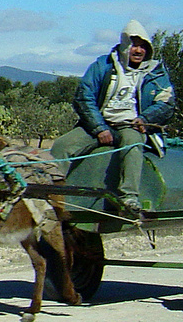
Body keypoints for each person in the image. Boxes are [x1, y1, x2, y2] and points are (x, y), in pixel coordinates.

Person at [51, 21, 175, 215]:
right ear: (125, 45)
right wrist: (99, 128)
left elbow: (166, 103)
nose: (139, 50)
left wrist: (145, 119)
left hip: (132, 126)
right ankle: (51, 196)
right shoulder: (103, 65)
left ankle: (129, 197)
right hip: (98, 123)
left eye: (143, 46)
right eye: (134, 45)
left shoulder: (155, 72)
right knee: (62, 146)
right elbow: (84, 97)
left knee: (133, 145)